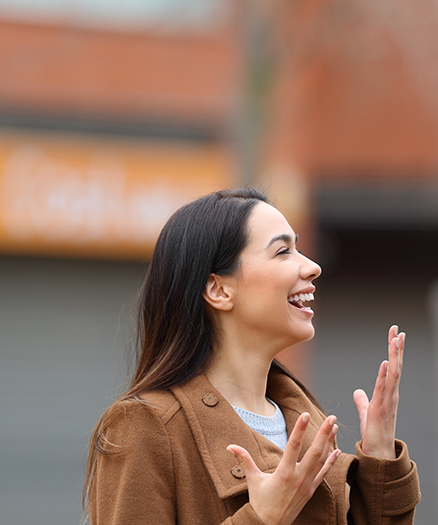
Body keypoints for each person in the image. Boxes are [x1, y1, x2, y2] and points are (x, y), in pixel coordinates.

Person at [84, 188, 420, 525]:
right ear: (219, 290)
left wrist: (379, 462)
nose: (312, 267)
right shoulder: (145, 427)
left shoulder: (310, 426)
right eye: (283, 251)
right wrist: (262, 518)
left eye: (299, 248)